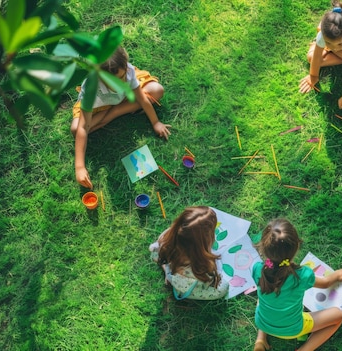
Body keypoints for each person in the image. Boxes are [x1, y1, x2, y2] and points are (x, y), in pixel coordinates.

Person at [71, 46, 172, 189]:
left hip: (123, 98)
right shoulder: (91, 89)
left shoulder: (128, 72)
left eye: (123, 76)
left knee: (156, 91)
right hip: (98, 107)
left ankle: (115, 112)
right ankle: (112, 111)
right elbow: (82, 126)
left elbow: (142, 99)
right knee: (76, 130)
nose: (122, 82)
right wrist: (79, 167)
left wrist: (156, 123)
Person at [251, 219, 342, 351]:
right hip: (293, 328)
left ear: (263, 248)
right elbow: (326, 283)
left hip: (262, 321)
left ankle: (260, 339)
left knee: (264, 296)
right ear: (297, 247)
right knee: (338, 315)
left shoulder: (258, 268)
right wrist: (335, 276)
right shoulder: (302, 275)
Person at [149, 206, 229, 300]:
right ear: (202, 243)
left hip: (172, 268)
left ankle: (168, 274)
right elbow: (209, 281)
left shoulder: (167, 238)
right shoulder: (200, 265)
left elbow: (156, 255)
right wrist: (217, 274)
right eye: (212, 233)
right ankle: (170, 278)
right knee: (224, 287)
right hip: (186, 285)